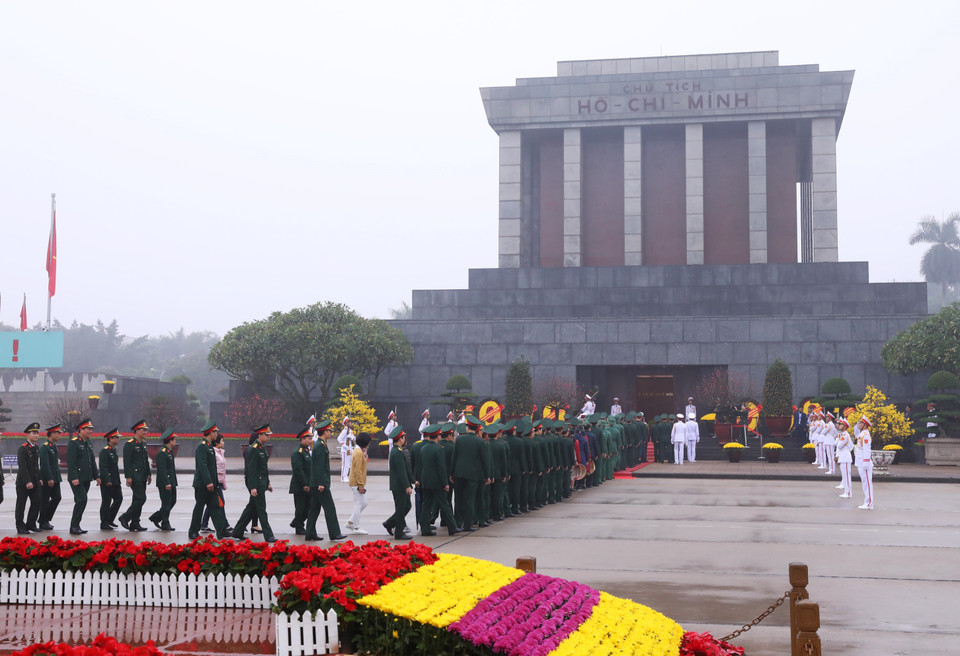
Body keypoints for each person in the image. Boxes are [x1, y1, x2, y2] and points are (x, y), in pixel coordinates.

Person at [305, 419, 348, 542]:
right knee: (329, 508)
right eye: (329, 431)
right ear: (324, 432)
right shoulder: (320, 446)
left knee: (314, 509)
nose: (330, 433)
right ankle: (334, 533)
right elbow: (319, 467)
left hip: (316, 483)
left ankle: (309, 533)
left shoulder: (320, 444)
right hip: (320, 484)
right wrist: (321, 483)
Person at [232, 424, 276, 542]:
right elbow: (251, 470)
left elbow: (263, 469)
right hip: (255, 484)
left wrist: (268, 483)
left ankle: (237, 531)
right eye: (267, 435)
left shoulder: (262, 448)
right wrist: (253, 487)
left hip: (261, 483)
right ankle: (269, 535)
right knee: (261, 509)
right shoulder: (253, 449)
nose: (269, 437)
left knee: (251, 508)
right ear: (260, 435)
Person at [189, 421, 230, 540]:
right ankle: (193, 531)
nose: (217, 434)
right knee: (199, 508)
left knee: (216, 507)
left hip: (212, 483)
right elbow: (203, 466)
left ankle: (222, 531)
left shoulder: (208, 446)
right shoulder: (202, 446)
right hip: (203, 484)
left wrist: (214, 482)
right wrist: (208, 482)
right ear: (210, 432)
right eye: (215, 432)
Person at [418, 426, 460, 536]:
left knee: (426, 505)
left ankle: (425, 528)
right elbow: (441, 468)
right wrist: (445, 483)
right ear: (438, 436)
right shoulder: (439, 449)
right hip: (436, 481)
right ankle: (452, 527)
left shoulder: (423, 448)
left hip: (426, 480)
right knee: (444, 504)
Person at [66, 418, 100, 535]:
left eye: (91, 429)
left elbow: (92, 461)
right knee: (82, 500)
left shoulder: (88, 443)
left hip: (86, 477)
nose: (90, 431)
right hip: (77, 478)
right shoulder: (74, 443)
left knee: (80, 501)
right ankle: (74, 526)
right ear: (81, 429)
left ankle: (77, 525)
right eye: (88, 429)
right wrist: (74, 477)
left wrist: (97, 476)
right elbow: (71, 462)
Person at [119, 419, 150, 532]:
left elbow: (145, 461)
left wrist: (148, 474)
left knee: (137, 499)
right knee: (141, 498)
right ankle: (125, 517)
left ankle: (135, 523)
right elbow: (127, 462)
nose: (145, 432)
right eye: (143, 430)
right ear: (137, 430)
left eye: (146, 430)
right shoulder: (130, 444)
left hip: (142, 476)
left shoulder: (143, 444)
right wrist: (128, 477)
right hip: (135, 476)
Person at [382, 425, 412, 539]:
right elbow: (401, 472)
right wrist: (407, 486)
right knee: (401, 508)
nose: (405, 439)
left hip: (398, 485)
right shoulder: (398, 452)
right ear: (400, 439)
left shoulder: (395, 451)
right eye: (404, 437)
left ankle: (389, 523)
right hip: (399, 486)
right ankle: (399, 532)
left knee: (406, 506)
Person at [15, 422, 42, 534]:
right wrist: (27, 481)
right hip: (24, 482)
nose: (36, 435)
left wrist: (39, 478)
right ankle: (20, 525)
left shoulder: (36, 447)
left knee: (37, 501)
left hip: (35, 480)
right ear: (28, 434)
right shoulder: (23, 449)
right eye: (33, 433)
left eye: (37, 433)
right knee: (21, 504)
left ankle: (31, 523)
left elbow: (37, 465)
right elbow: (23, 467)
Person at [148, 429, 178, 530]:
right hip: (165, 483)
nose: (175, 441)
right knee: (166, 503)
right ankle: (165, 523)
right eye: (174, 439)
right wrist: (167, 482)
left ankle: (156, 517)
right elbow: (162, 470)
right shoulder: (162, 453)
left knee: (172, 501)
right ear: (170, 440)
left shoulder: (169, 452)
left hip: (171, 481)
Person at [200, 432, 228, 532]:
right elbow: (209, 468)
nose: (223, 442)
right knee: (218, 503)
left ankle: (205, 524)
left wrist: (223, 483)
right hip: (214, 482)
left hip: (219, 482)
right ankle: (224, 525)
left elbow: (223, 471)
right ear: (216, 443)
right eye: (222, 440)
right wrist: (210, 481)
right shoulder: (212, 452)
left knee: (214, 503)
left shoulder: (220, 452)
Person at [38, 424, 63, 530]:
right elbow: (45, 464)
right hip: (48, 479)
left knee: (57, 498)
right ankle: (43, 521)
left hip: (55, 477)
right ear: (52, 434)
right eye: (58, 434)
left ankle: (45, 518)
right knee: (45, 500)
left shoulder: (53, 446)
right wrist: (49, 478)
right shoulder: (45, 447)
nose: (59, 436)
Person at [289, 427, 313, 535]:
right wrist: (305, 484)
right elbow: (298, 470)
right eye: (308, 438)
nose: (310, 441)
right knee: (300, 508)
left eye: (311, 438)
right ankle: (299, 527)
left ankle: (296, 522)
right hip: (300, 485)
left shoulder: (306, 451)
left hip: (307, 484)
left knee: (309, 507)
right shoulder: (298, 452)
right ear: (302, 439)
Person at [98, 428, 123, 530]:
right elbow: (103, 467)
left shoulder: (114, 450)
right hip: (107, 481)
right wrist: (107, 480)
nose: (118, 439)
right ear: (111, 439)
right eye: (116, 438)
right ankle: (104, 522)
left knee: (118, 499)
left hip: (115, 480)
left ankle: (110, 519)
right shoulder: (105, 451)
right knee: (106, 501)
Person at [346, 432, 371, 534]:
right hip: (356, 483)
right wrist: (361, 485)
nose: (369, 445)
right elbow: (358, 471)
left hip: (356, 482)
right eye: (368, 443)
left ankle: (351, 522)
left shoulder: (358, 451)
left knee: (363, 503)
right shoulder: (358, 452)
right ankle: (356, 527)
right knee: (358, 504)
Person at [854, 416, 874, 510]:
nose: (859, 424)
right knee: (864, 482)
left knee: (867, 483)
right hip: (860, 461)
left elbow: (867, 450)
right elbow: (856, 433)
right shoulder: (862, 433)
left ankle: (869, 503)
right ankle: (866, 501)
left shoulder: (865, 435)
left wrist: (866, 462)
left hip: (864, 462)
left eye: (860, 423)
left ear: (865, 425)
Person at [835, 417, 854, 498]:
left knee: (846, 476)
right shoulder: (842, 435)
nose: (840, 426)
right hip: (843, 456)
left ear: (845, 427)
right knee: (844, 475)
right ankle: (846, 492)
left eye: (842, 424)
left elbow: (839, 446)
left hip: (845, 457)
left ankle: (848, 493)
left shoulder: (845, 435)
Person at [337, 416, 355, 483]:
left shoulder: (350, 430)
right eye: (349, 422)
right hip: (345, 449)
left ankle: (346, 476)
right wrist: (344, 445)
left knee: (348, 464)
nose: (350, 423)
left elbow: (354, 438)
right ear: (346, 423)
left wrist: (351, 437)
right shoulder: (345, 430)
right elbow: (339, 438)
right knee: (344, 463)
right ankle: (343, 477)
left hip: (349, 448)